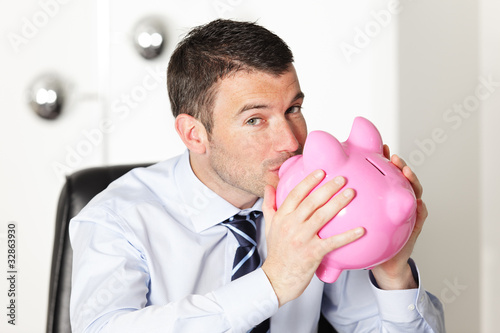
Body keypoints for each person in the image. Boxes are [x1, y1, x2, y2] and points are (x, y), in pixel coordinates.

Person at [69, 19, 445, 333]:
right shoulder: (117, 217)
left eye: (293, 109)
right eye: (255, 119)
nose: (291, 141)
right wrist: (273, 282)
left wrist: (392, 272)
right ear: (194, 134)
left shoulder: (318, 201)